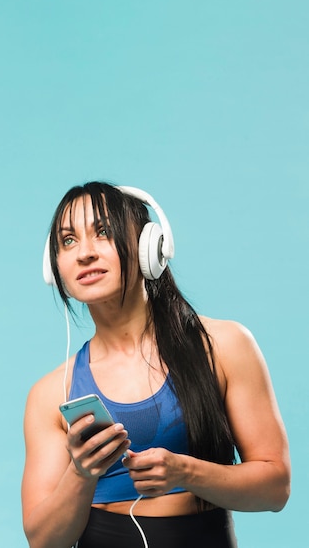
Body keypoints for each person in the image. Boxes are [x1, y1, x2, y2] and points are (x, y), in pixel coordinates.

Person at [21, 182, 290, 548]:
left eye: (104, 232)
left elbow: (276, 489)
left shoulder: (224, 346)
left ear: (150, 247)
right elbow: (42, 540)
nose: (84, 253)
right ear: (56, 269)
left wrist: (187, 472)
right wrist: (81, 474)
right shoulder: (51, 393)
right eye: (68, 241)